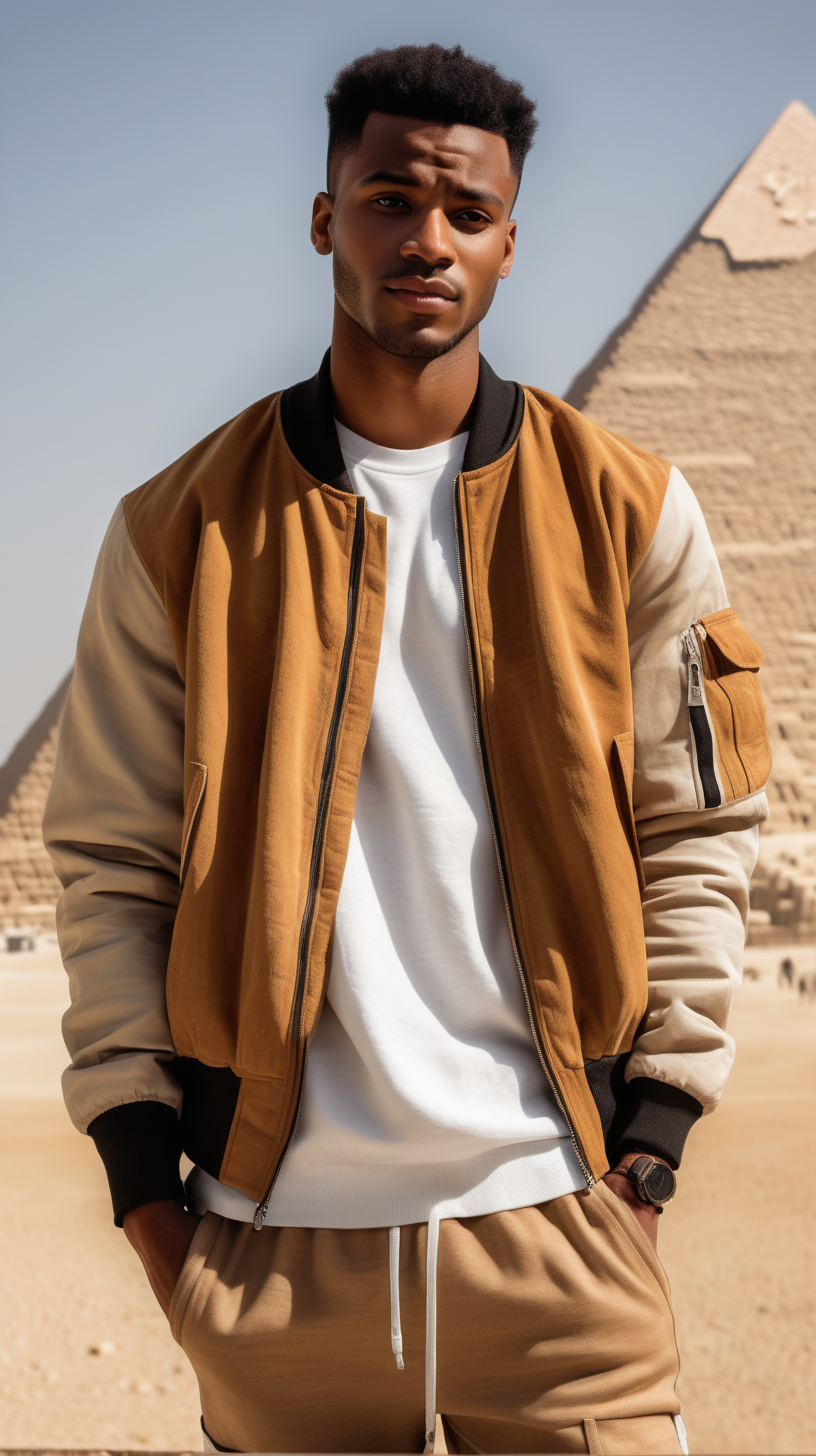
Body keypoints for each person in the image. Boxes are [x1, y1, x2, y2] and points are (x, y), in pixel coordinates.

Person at [44, 42, 772, 1456]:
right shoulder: (176, 531)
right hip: (275, 1252)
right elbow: (109, 861)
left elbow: (699, 830)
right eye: (387, 198)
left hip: (567, 1235)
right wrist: (154, 1208)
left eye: (465, 211)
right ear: (325, 218)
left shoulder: (632, 514)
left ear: (511, 242)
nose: (425, 238)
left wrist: (654, 1139)